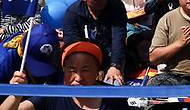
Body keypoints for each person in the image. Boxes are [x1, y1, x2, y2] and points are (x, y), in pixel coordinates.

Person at [0, 41, 130, 110]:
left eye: (85, 70)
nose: (78, 78)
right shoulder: (52, 96)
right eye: (72, 70)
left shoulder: (114, 98)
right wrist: (15, 95)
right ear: (64, 70)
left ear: (97, 72)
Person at [63, 0, 127, 85]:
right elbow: (73, 45)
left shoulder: (116, 6)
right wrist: (91, 69)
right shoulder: (72, 13)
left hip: (111, 56)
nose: (102, 0)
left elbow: (118, 37)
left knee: (114, 83)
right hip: (84, 61)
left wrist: (115, 66)